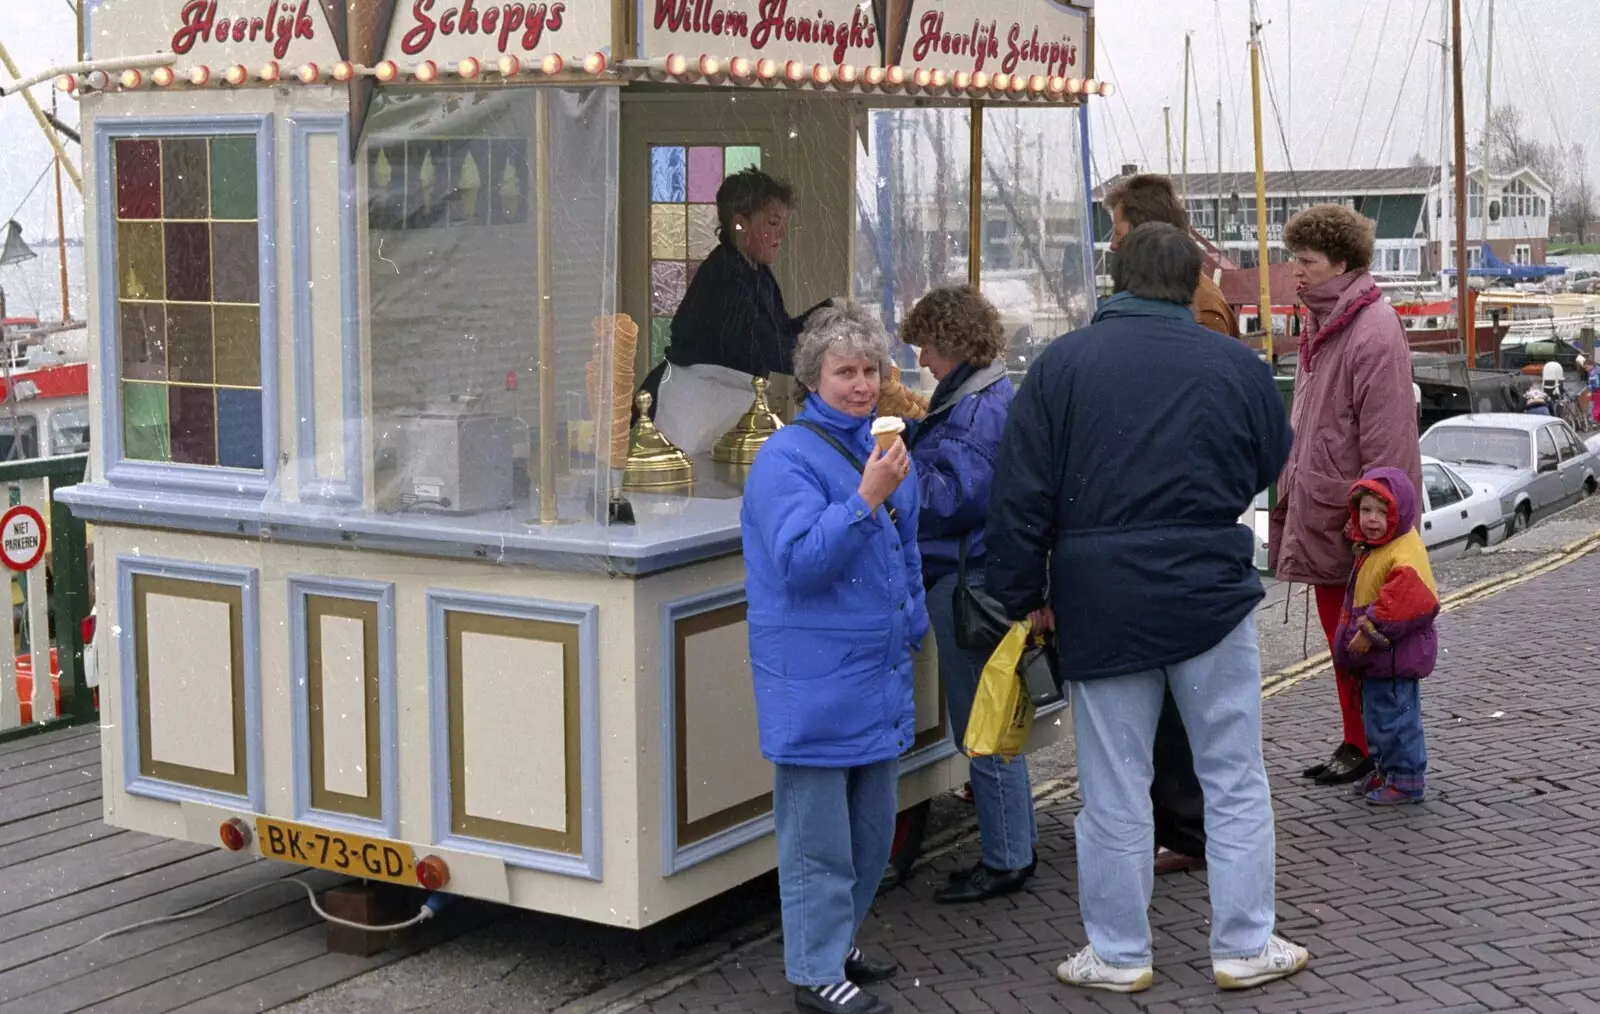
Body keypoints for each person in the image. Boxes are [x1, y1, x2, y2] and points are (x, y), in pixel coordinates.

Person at [986, 223, 1304, 994]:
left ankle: (1121, 953)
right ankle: (1243, 944)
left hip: (1101, 599)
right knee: (1232, 775)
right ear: (1195, 279)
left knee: (1114, 783)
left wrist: (1025, 597)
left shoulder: (1060, 367)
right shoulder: (1236, 365)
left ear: (1114, 277)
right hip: (1208, 590)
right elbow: (1271, 459)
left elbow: (1021, 494)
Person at [741, 299, 926, 1014]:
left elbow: (905, 543)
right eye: (844, 371)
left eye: (869, 369)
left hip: (873, 672)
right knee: (818, 838)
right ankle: (814, 972)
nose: (860, 384)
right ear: (812, 378)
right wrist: (864, 498)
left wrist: (910, 623)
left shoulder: (881, 443)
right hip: (814, 680)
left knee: (871, 828)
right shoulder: (785, 458)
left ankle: (837, 943)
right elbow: (799, 562)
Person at [1270, 203, 1422, 788]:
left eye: (1305, 261)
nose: (1296, 273)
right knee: (1345, 639)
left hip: (1354, 517)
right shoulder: (1323, 322)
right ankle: (1360, 742)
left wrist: (1378, 518)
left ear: (1341, 262)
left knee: (1363, 640)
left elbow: (1386, 439)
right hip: (1331, 506)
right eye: (1294, 260)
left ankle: (1378, 750)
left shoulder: (1372, 329)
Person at [1103, 172, 1229, 875]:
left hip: (1174, 525)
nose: (1111, 240)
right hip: (1171, 525)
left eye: (1118, 228)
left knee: (1179, 705)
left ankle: (1186, 830)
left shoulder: (1198, 311)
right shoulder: (1191, 300)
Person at [899, 286, 1036, 904]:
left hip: (963, 581)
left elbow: (951, 498)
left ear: (952, 343)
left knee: (982, 727)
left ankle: (1007, 858)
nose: (923, 359)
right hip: (979, 574)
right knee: (990, 721)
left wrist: (892, 462)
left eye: (927, 345)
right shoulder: (981, 395)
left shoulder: (974, 410)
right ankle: (1012, 848)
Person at [1332, 468, 1439, 806]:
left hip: (1394, 658)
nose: (1372, 519)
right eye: (1366, 511)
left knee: (1396, 719)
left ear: (1398, 513)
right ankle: (1387, 769)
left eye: (1382, 512)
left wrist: (1369, 629)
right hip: (1380, 660)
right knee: (1377, 717)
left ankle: (1407, 780)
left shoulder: (1403, 550)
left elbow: (1407, 598)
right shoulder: (1374, 547)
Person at [1105, 173, 1239, 337]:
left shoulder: (1203, 310)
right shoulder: (1173, 295)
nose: (1112, 245)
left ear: (1146, 233)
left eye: (1118, 235)